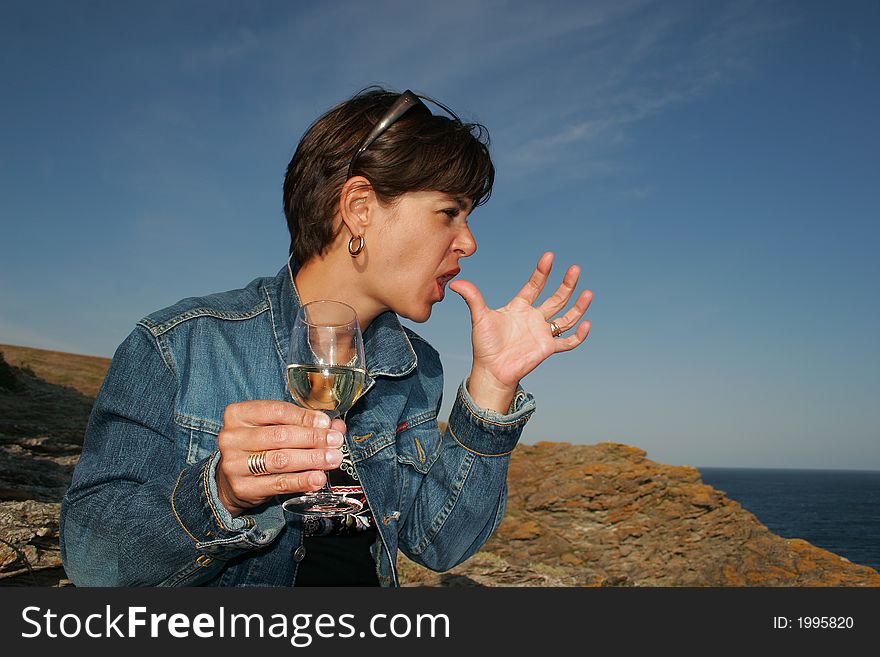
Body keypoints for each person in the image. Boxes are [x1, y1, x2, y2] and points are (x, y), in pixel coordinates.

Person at [60, 87, 593, 586]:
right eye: (449, 213)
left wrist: (492, 386)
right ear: (360, 207)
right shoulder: (181, 345)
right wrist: (219, 493)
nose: (469, 243)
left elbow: (437, 544)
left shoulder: (417, 367)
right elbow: (92, 562)